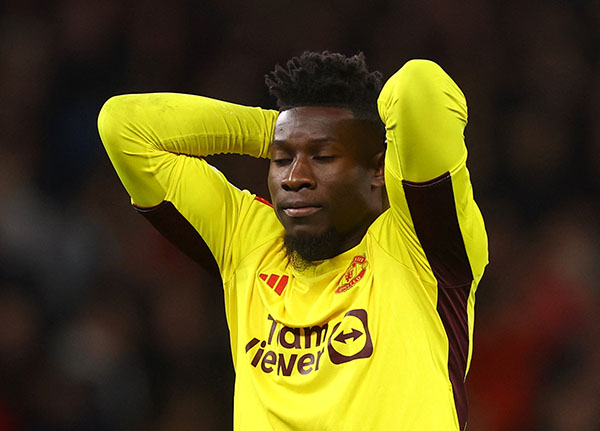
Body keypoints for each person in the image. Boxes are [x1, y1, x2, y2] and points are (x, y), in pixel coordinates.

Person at [98, 51, 488, 431]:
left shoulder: (420, 245)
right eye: (282, 159)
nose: (294, 178)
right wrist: (277, 129)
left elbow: (418, 86)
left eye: (323, 156)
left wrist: (358, 132)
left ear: (377, 168)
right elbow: (124, 125)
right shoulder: (248, 242)